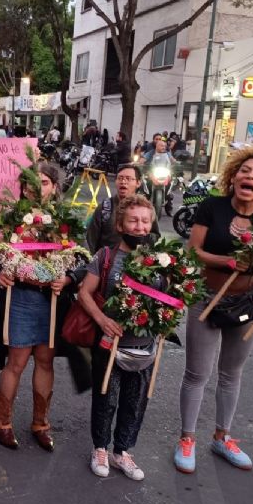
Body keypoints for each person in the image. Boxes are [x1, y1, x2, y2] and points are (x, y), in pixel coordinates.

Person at [174, 145, 253, 473]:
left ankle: (222, 436)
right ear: (234, 175)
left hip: (247, 302)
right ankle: (187, 439)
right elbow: (193, 251)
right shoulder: (212, 207)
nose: (251, 177)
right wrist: (227, 261)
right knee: (197, 373)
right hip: (206, 298)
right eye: (246, 171)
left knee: (231, 373)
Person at [0, 162, 78, 452]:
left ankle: (40, 423)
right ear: (22, 187)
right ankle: (2, 422)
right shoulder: (12, 217)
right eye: (30, 184)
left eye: (44, 183)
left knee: (45, 360)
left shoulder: (64, 219)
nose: (36, 189)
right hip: (20, 298)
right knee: (17, 362)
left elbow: (80, 257)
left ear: (54, 187)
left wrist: (68, 276)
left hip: (51, 299)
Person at [79, 194, 161, 481]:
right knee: (106, 397)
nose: (139, 227)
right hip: (109, 345)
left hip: (145, 347)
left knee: (135, 401)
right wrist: (102, 320)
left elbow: (172, 297)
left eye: (145, 221)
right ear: (121, 224)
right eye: (133, 221)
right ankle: (100, 448)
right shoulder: (106, 257)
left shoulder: (162, 260)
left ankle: (122, 451)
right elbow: (84, 293)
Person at [86, 164, 160, 254]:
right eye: (120, 178)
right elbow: (90, 239)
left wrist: (141, 240)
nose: (123, 182)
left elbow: (155, 234)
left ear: (138, 183)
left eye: (128, 179)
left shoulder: (145, 208)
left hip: (136, 261)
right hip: (107, 263)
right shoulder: (105, 208)